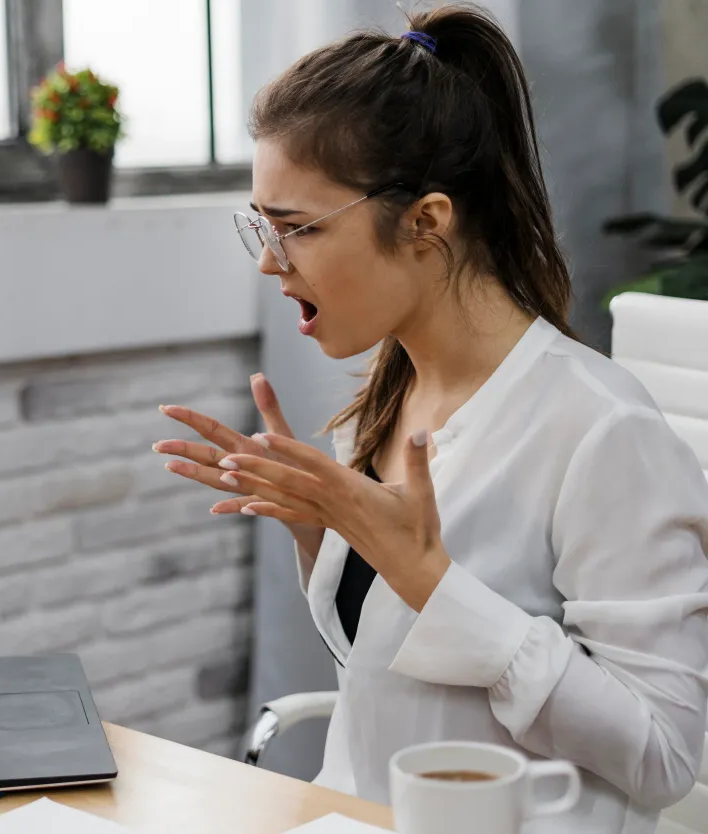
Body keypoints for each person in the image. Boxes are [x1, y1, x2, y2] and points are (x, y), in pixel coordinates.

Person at [152, 5, 708, 833]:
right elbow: (399, 675)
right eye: (262, 227)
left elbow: (665, 758)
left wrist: (432, 583)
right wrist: (323, 533)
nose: (270, 260)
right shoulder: (388, 392)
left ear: (426, 222)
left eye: (297, 228)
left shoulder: (600, 429)